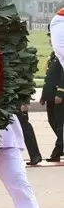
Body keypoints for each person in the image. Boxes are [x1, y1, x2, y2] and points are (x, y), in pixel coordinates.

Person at [37, 26, 64, 165]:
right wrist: (44, 96)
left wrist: (60, 93)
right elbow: (49, 77)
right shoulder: (55, 54)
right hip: (51, 96)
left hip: (59, 97)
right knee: (53, 122)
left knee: (59, 124)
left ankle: (58, 150)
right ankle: (60, 147)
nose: (49, 39)